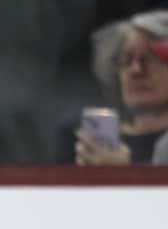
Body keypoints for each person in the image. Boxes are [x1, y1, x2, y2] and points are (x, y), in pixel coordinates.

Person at [69, 10, 168, 166]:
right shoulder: (96, 147)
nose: (136, 70)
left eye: (152, 57)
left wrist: (122, 175)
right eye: (126, 59)